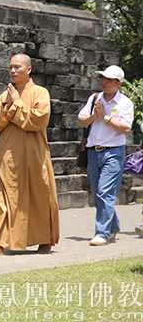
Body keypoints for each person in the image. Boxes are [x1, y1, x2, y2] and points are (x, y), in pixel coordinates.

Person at [0, 54, 60, 256]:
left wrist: (15, 106)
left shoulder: (40, 93)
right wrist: (13, 107)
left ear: (29, 69)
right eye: (11, 68)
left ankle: (45, 240)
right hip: (10, 154)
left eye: (17, 67)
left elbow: (39, 120)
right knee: (5, 195)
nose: (13, 71)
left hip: (34, 154)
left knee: (38, 194)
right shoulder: (7, 94)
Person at [78, 65, 133, 246]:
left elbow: (125, 128)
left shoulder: (125, 103)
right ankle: (114, 226)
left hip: (113, 153)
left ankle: (102, 232)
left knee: (104, 192)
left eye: (108, 79)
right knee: (97, 193)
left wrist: (106, 118)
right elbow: (81, 120)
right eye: (102, 78)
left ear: (118, 83)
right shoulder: (94, 98)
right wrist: (96, 115)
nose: (104, 82)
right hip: (94, 152)